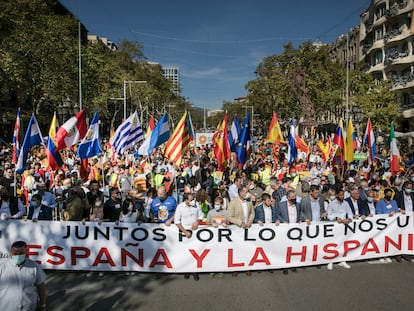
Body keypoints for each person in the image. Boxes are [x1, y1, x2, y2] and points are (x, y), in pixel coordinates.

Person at [0, 240, 47, 311]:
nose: (18, 256)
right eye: (15, 254)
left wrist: (43, 305)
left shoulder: (34, 266)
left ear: (26, 252)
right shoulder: (2, 267)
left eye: (21, 253)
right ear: (11, 253)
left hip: (28, 308)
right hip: (6, 308)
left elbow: (41, 286)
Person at [174, 192, 203, 281]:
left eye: (193, 199)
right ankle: (186, 270)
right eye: (190, 200)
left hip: (195, 232)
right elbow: (177, 221)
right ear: (186, 200)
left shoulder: (196, 205)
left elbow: (201, 216)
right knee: (186, 252)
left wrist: (197, 222)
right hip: (184, 232)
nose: (192, 201)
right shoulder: (180, 207)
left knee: (195, 252)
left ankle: (194, 271)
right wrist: (185, 232)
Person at [326, 189, 353, 270]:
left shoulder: (346, 203)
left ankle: (342, 260)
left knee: (343, 243)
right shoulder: (331, 204)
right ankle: (330, 261)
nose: (342, 196)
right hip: (335, 226)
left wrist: (349, 219)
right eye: (341, 195)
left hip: (344, 225)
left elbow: (350, 213)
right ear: (337, 195)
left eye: (343, 195)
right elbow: (328, 215)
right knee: (333, 243)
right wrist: (335, 218)